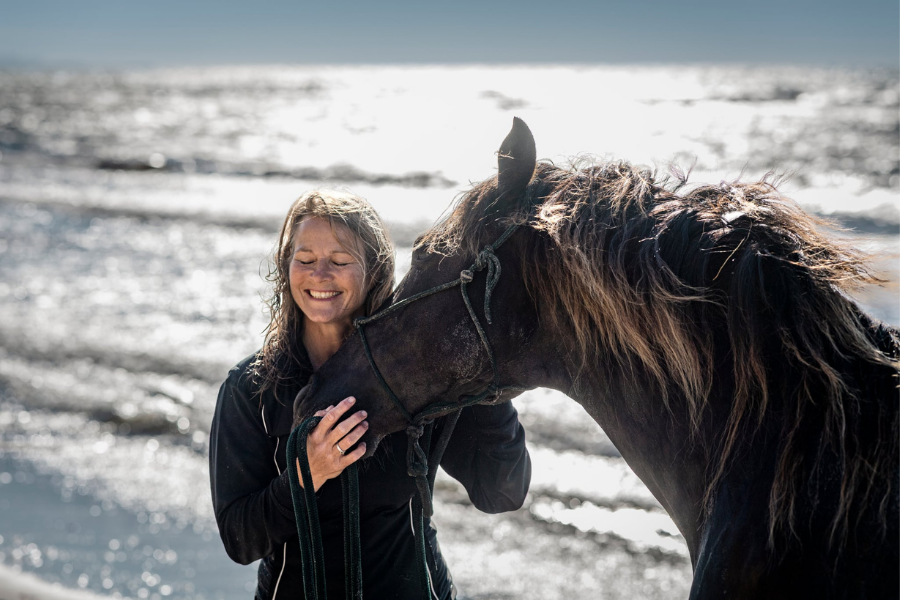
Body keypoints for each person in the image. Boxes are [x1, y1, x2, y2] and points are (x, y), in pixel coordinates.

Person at [209, 190, 531, 600]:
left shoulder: (420, 373)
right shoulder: (251, 388)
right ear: (285, 267)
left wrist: (483, 371)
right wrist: (306, 475)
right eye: (304, 260)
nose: (319, 274)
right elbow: (240, 540)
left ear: (376, 270)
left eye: (340, 261)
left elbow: (502, 490)